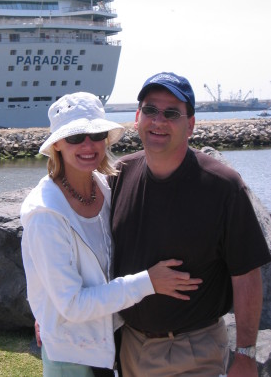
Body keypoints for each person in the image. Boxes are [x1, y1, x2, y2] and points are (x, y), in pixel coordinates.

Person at [21, 92, 202, 377]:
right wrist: (149, 282)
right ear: (57, 144)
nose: (88, 145)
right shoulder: (45, 214)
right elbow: (72, 304)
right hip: (72, 353)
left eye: (97, 134)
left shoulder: (106, 187)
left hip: (112, 341)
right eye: (75, 137)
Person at [109, 72, 271, 377]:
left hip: (193, 353)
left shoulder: (223, 187)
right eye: (150, 110)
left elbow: (247, 275)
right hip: (128, 348)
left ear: (191, 125)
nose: (158, 121)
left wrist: (246, 355)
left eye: (171, 113)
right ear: (136, 117)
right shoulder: (120, 174)